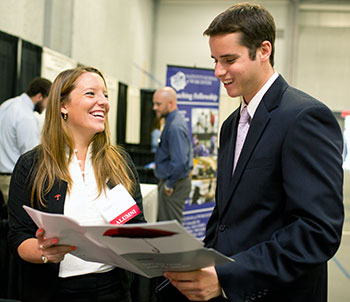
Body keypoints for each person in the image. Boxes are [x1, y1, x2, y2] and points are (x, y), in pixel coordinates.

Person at [160, 3, 344, 302]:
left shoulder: (304, 117)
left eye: (229, 59)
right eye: (215, 60)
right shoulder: (232, 125)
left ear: (264, 50)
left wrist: (230, 276)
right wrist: (202, 264)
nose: (219, 71)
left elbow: (317, 231)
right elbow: (226, 215)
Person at [7, 66, 145, 302]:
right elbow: (18, 236)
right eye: (91, 94)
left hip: (114, 290)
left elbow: (137, 224)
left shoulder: (119, 162)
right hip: (54, 293)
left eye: (105, 95)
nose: (103, 102)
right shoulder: (32, 165)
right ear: (63, 105)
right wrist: (44, 252)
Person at [0, 77, 52, 203]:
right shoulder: (26, 117)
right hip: (13, 179)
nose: (46, 107)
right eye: (47, 101)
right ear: (39, 96)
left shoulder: (7, 104)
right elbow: (31, 155)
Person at [153, 87, 192, 223]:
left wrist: (169, 185)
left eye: (158, 104)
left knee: (170, 229)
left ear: (170, 104)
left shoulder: (174, 126)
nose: (154, 107)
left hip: (174, 184)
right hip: (172, 181)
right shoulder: (171, 121)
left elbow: (180, 161)